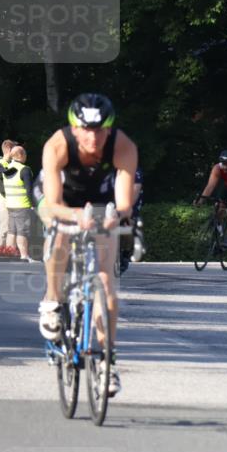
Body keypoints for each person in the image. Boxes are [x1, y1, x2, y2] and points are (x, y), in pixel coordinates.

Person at [37, 93, 138, 397]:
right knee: (59, 235)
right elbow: (53, 204)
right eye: (86, 130)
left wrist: (115, 218)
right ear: (74, 128)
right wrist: (74, 216)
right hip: (61, 198)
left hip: (100, 195)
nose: (93, 137)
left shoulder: (123, 146)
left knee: (106, 284)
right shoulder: (57, 145)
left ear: (109, 129)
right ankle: (52, 301)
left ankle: (108, 364)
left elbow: (123, 204)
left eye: (100, 130)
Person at [0, 145, 38, 262]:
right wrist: (33, 205)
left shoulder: (6, 169)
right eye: (25, 154)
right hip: (23, 205)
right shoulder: (24, 169)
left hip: (10, 204)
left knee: (12, 231)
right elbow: (29, 189)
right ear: (21, 155)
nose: (26, 156)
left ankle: (10, 255)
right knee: (22, 231)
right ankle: (24, 255)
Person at [0, 139, 17, 247]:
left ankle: (9, 254)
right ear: (9, 150)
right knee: (5, 228)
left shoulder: (10, 164)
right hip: (5, 200)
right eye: (14, 149)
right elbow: (1, 186)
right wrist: (10, 197)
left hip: (12, 199)